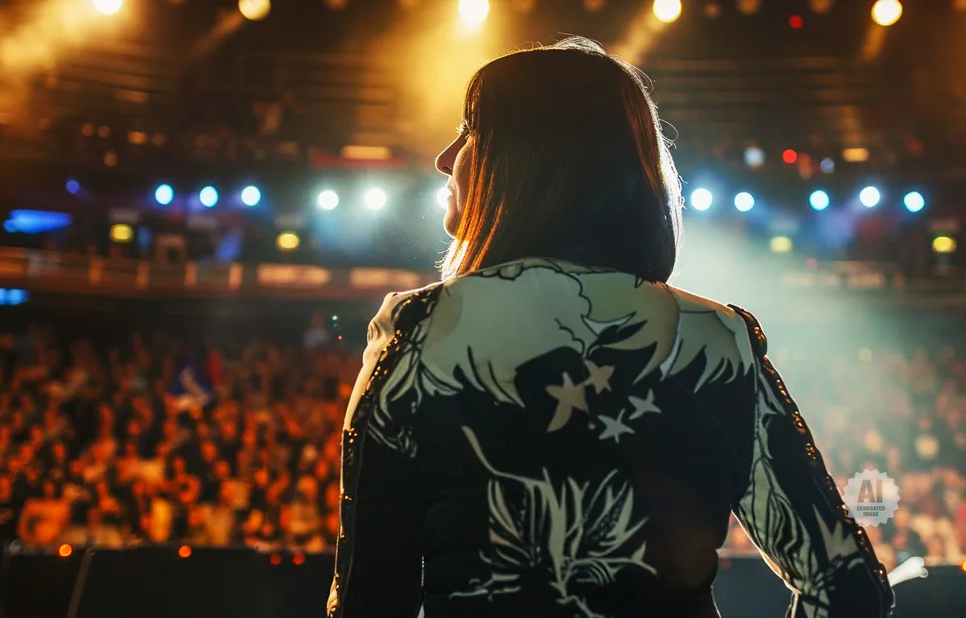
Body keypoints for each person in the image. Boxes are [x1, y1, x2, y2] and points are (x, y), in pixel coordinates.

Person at [327, 37, 895, 618]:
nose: (445, 159)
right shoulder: (719, 341)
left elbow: (367, 599)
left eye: (470, 130)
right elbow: (848, 588)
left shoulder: (420, 331)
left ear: (528, 158)